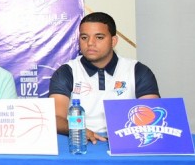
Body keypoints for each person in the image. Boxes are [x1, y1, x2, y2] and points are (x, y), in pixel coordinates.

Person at [49, 12, 159, 143]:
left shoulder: (137, 70)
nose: (90, 43)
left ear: (113, 41)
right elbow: (55, 117)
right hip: (79, 143)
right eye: (84, 37)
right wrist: (78, 129)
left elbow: (151, 115)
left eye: (99, 37)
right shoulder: (67, 71)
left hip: (127, 142)